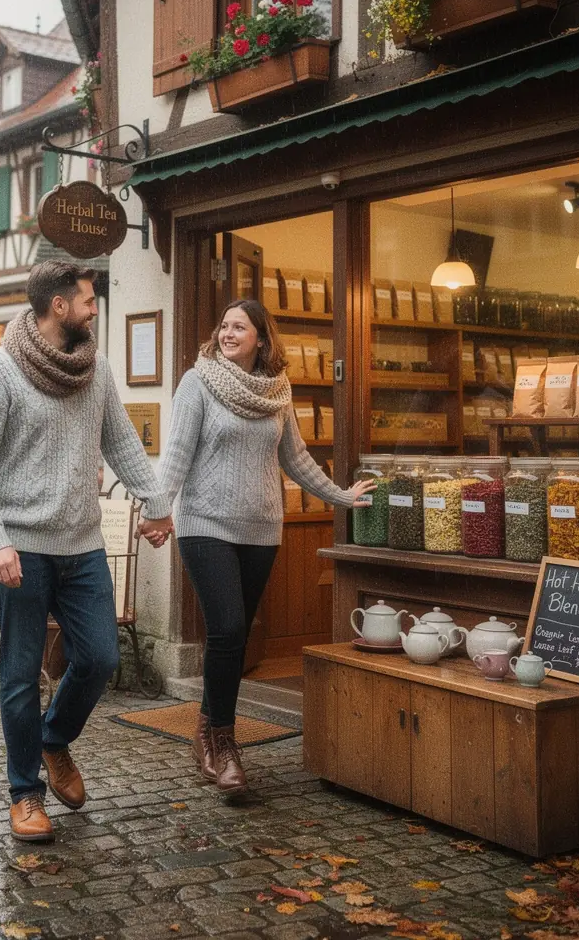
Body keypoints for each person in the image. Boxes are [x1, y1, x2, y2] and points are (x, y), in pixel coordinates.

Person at [0, 260, 172, 843]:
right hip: (19, 551)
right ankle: (25, 792)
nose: (95, 307)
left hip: (81, 547)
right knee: (21, 675)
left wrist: (155, 502)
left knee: (101, 658)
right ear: (58, 306)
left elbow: (122, 440)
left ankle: (55, 739)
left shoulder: (95, 369)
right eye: (86, 300)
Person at [155, 298, 376, 797]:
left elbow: (295, 458)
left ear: (261, 338)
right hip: (205, 524)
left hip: (260, 530)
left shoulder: (278, 391)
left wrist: (342, 496)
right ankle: (225, 743)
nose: (228, 333)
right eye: (224, 324)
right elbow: (177, 455)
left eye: (240, 327)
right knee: (229, 627)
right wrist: (157, 510)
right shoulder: (198, 382)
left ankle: (207, 733)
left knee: (234, 635)